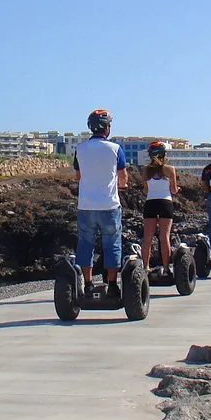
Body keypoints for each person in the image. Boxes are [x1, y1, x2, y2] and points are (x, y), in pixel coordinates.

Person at [73, 109, 127, 298]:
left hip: (86, 206)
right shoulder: (115, 149)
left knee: (86, 244)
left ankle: (87, 284)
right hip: (109, 206)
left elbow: (79, 176)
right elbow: (123, 178)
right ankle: (112, 284)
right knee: (111, 243)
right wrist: (121, 186)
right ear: (106, 127)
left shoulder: (80, 149)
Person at [141, 141, 179, 271]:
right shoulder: (170, 169)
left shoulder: (146, 170)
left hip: (150, 203)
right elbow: (173, 191)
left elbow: (145, 191)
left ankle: (146, 267)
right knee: (164, 237)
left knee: (147, 238)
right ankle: (166, 268)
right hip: (165, 203)